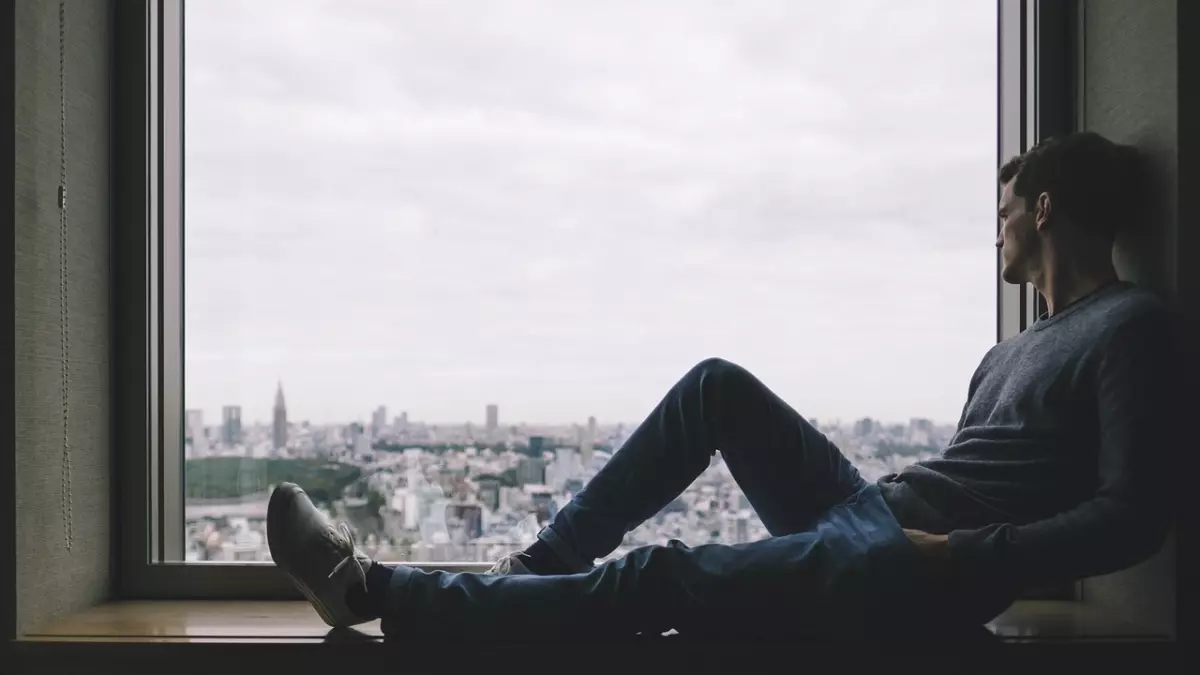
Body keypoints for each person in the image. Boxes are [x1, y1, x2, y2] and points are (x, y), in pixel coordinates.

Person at [266, 131, 1180, 640]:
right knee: (715, 386)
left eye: (1006, 211)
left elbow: (1136, 514)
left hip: (917, 561)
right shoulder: (1008, 350)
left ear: (1045, 210)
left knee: (661, 575)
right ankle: (534, 569)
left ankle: (375, 590)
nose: (999, 230)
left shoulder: (1130, 326)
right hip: (882, 516)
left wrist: (962, 556)